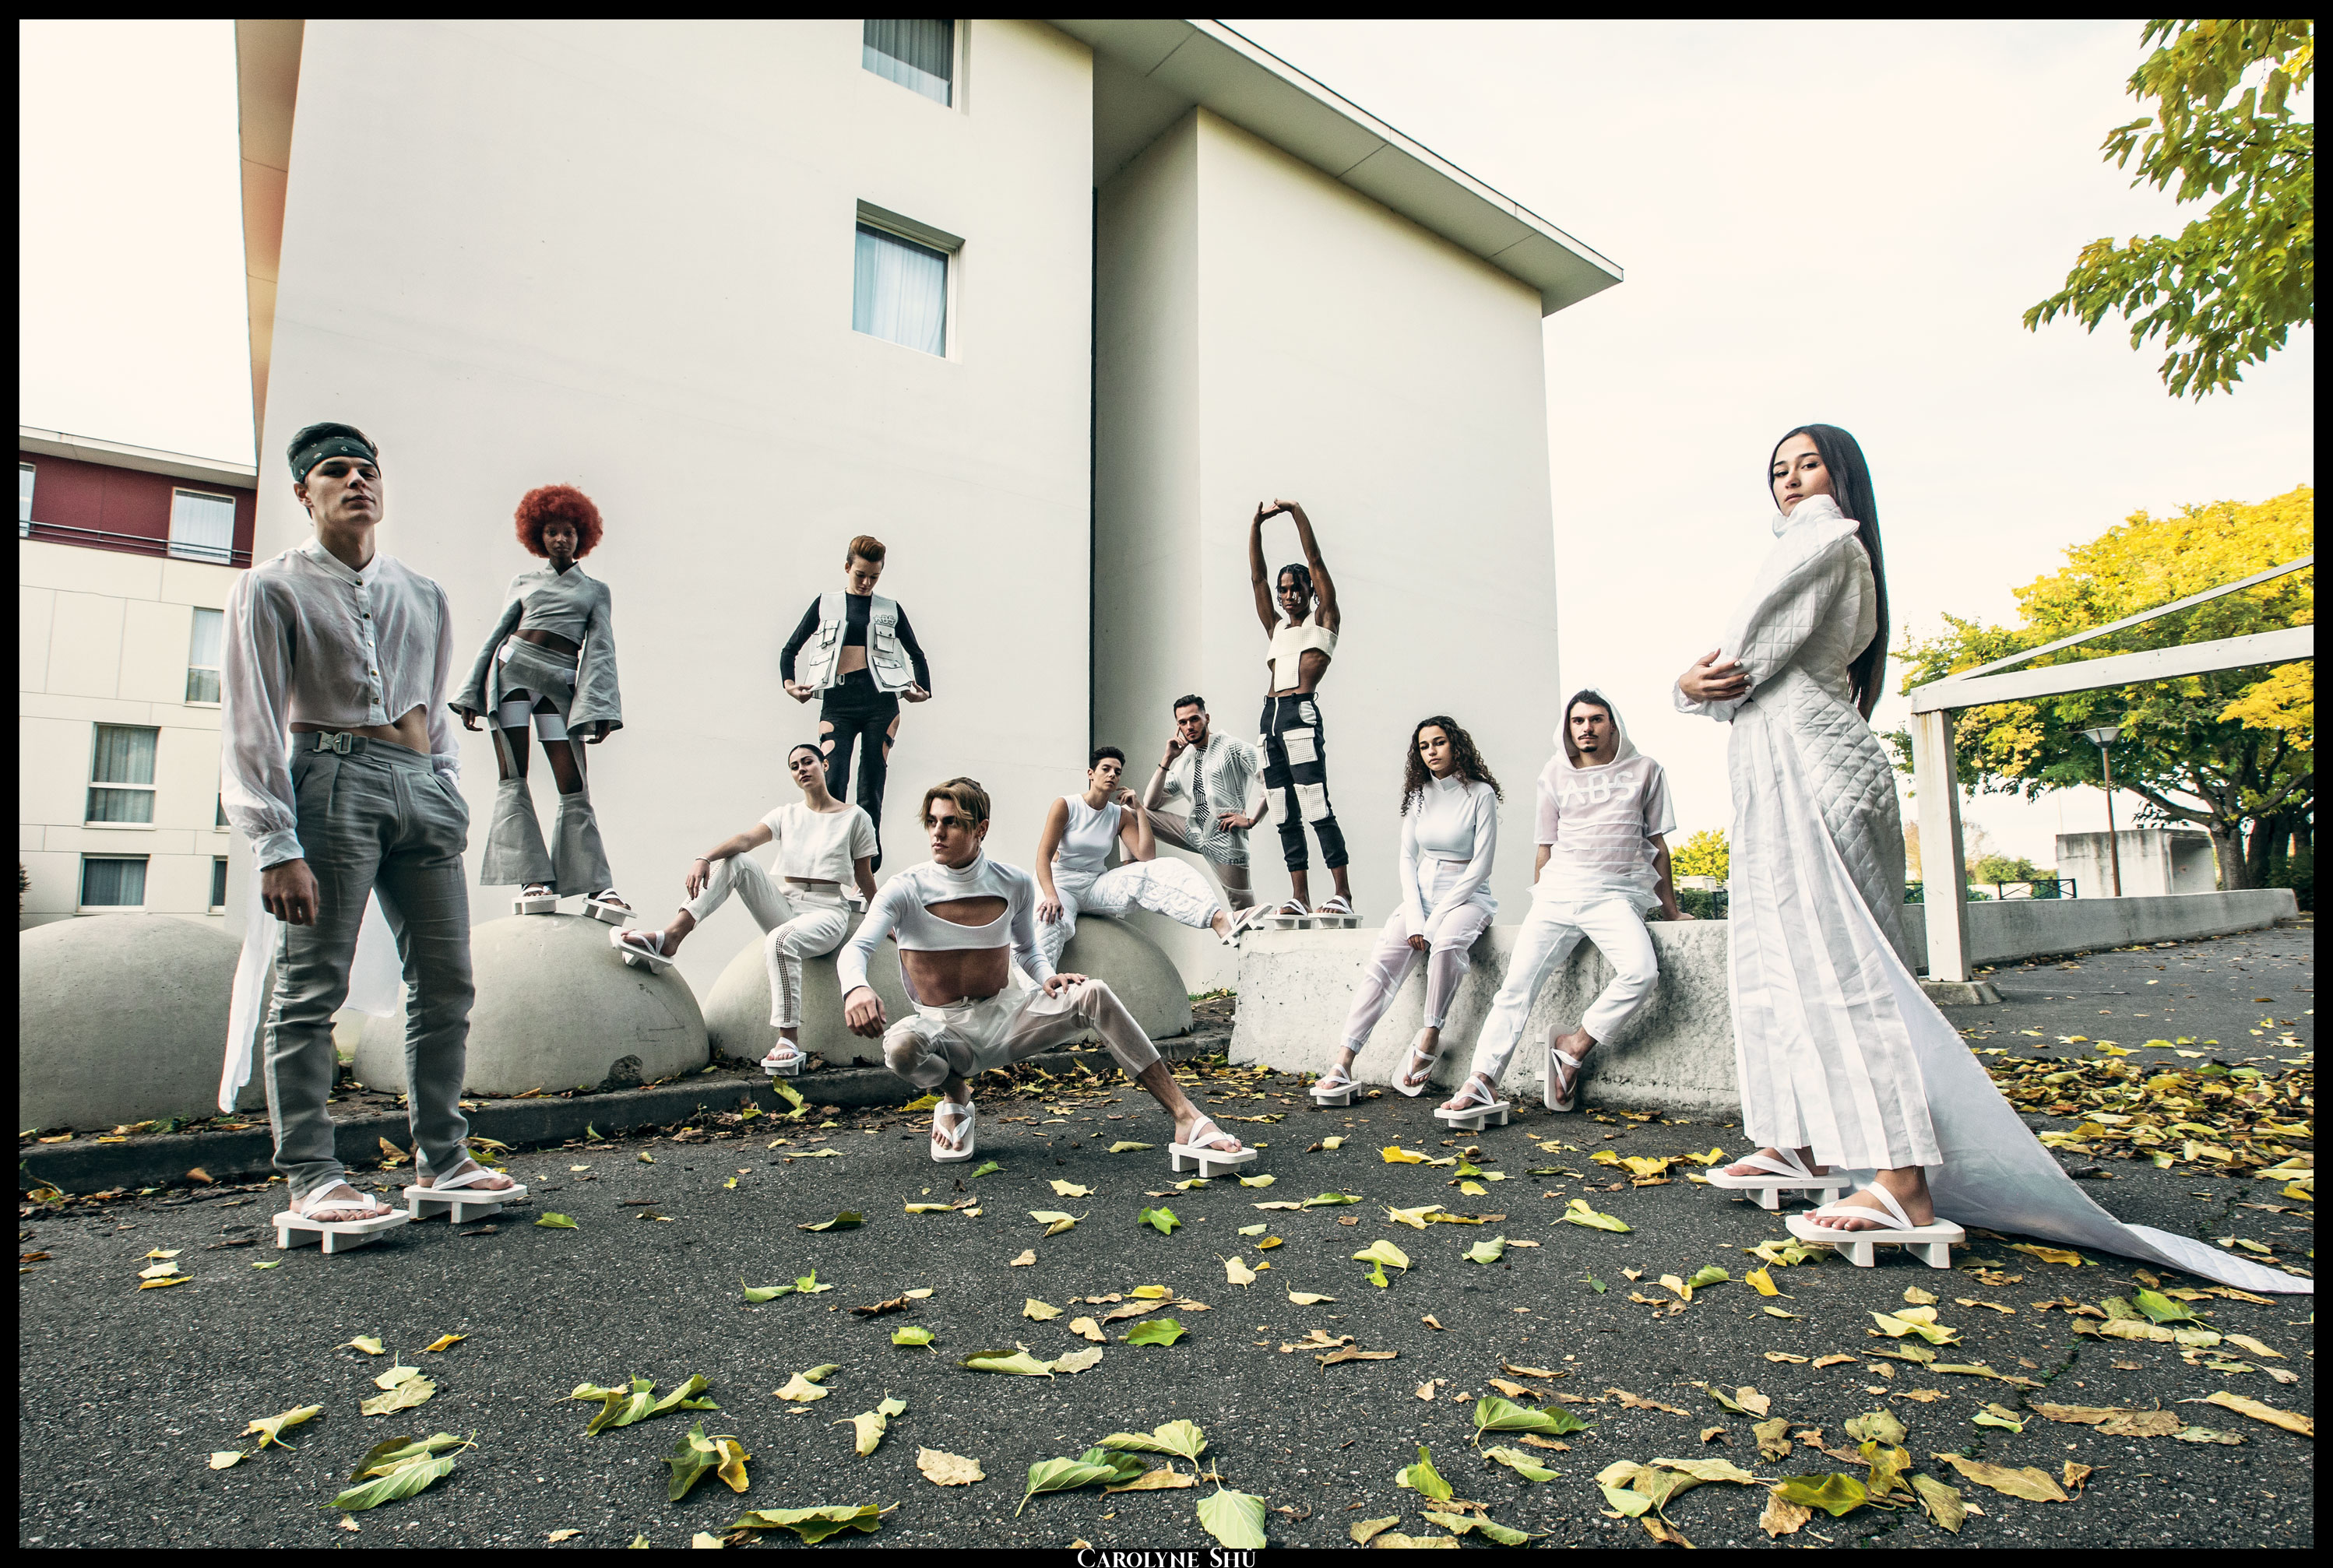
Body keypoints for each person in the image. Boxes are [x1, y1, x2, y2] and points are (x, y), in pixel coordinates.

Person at [1676, 424, 2301, 1292]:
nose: (1790, 481)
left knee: (1840, 966)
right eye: (1778, 470)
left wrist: (1684, 688)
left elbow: (1739, 665)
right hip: (1787, 764)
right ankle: (1803, 1142)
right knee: (1779, 961)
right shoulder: (1819, 546)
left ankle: (1900, 1183)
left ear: (1841, 476)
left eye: (1808, 464)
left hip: (1805, 765)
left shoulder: (1821, 537)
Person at [216, 421, 513, 1225]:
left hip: (421, 789)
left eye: (366, 470)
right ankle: (313, 1175)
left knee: (447, 982)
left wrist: (446, 789)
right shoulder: (271, 588)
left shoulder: (422, 593)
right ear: (303, 492)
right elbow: (251, 721)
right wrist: (275, 842)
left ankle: (443, 1158)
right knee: (312, 984)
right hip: (330, 781)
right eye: (336, 471)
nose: (356, 482)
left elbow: (434, 706)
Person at [838, 778, 1249, 1164]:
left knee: (1093, 993)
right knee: (900, 1049)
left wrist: (1046, 976)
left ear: (981, 829)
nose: (937, 833)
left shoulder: (1014, 882)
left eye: (951, 823)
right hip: (941, 1030)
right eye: (932, 822)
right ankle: (955, 1093)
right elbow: (856, 948)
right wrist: (856, 987)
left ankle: (1187, 1118)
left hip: (1003, 1019)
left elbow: (1027, 949)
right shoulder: (905, 888)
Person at [1437, 690, 1689, 1123]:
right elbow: (1545, 845)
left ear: (1613, 724)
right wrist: (1540, 900)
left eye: (1596, 719)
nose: (1586, 728)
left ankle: (1574, 1046)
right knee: (1515, 989)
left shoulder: (1646, 770)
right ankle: (1481, 1082)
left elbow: (1657, 845)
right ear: (1568, 727)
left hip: (1613, 896)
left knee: (1642, 973)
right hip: (1556, 895)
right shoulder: (1554, 772)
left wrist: (1671, 911)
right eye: (1578, 720)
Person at [612, 744, 878, 1076]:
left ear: (824, 765)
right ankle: (672, 936)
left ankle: (788, 1039)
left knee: (779, 941)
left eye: (808, 762)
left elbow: (864, 876)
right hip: (787, 903)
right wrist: (704, 857)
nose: (802, 769)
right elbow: (746, 840)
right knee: (737, 861)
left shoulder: (855, 817)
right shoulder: (786, 814)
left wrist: (885, 920)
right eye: (794, 766)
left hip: (826, 911)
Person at [452, 484, 628, 919]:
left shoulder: (595, 590)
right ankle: (531, 878)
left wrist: (602, 708)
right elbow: (496, 635)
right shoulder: (523, 582)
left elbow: (601, 650)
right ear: (539, 536)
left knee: (573, 783)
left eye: (568, 532)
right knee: (513, 776)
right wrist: (472, 692)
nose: (560, 539)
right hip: (511, 672)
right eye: (552, 532)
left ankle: (595, 884)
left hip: (559, 682)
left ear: (582, 536)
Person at [1312, 718, 1499, 1100]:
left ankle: (1430, 1035)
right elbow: (1407, 858)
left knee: (1446, 945)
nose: (1431, 751)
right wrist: (1416, 916)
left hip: (1468, 896)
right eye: (1424, 746)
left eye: (1439, 743)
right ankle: (1343, 1062)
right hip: (1421, 896)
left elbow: (1481, 866)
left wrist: (1436, 919)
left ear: (1456, 746)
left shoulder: (1481, 794)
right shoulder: (1419, 796)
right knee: (1381, 966)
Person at [780, 535, 932, 869]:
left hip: (881, 703)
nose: (866, 583)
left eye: (874, 577)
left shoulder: (889, 609)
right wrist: (790, 685)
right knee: (833, 779)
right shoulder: (826, 604)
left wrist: (922, 690)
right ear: (847, 567)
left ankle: (867, 863)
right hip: (838, 702)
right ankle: (827, 855)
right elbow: (790, 649)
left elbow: (916, 653)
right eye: (860, 575)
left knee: (871, 782)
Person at [1033, 746, 1256, 969]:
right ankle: (1040, 986)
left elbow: (1147, 857)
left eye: (1117, 772)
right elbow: (1043, 857)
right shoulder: (1066, 805)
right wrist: (1051, 896)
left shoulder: (1119, 815)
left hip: (1095, 886)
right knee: (1049, 920)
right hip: (1061, 885)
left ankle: (1219, 920)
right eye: (1106, 769)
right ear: (1091, 774)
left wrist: (1139, 809)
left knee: (1163, 868)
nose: (1112, 775)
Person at [1248, 500, 1353, 919]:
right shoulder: (1276, 627)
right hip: (1269, 718)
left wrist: (1294, 511)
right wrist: (1255, 526)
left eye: (1296, 589)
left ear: (1310, 591)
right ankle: (1300, 896)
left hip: (1300, 713)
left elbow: (1316, 559)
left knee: (1315, 804)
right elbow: (1257, 577)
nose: (1288, 596)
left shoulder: (1323, 621)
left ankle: (1342, 892)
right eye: (1284, 590)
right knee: (1282, 808)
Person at [1139, 694, 1271, 915]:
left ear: (1206, 718)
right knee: (1133, 813)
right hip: (1193, 832)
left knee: (1245, 913)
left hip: (1226, 838)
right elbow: (1150, 803)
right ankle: (1133, 874)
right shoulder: (1185, 761)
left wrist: (1252, 820)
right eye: (1183, 722)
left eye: (1194, 719)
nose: (1189, 727)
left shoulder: (1233, 747)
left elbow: (1272, 779)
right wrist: (1167, 759)